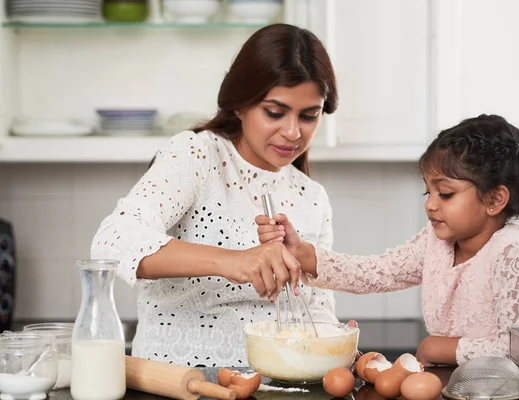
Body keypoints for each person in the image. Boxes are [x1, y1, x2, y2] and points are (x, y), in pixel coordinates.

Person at [91, 23, 341, 368]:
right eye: (275, 112)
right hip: (180, 383)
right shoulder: (197, 155)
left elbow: (317, 310)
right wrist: (233, 261)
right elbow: (113, 241)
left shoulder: (312, 197)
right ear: (239, 105)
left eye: (309, 116)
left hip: (274, 388)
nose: (293, 132)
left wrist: (337, 342)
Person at [256, 114, 519, 366]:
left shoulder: (511, 254)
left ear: (494, 199)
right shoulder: (436, 243)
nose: (430, 204)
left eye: (445, 193)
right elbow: (376, 272)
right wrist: (303, 253)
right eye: (428, 191)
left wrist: (442, 348)